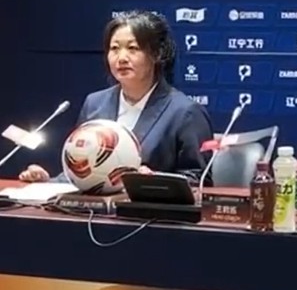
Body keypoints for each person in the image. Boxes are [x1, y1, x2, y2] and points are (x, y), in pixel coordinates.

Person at [19, 10, 215, 184]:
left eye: (133, 48)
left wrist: (154, 181)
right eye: (114, 49)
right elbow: (84, 171)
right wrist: (49, 182)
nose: (121, 58)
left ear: (157, 54)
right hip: (95, 210)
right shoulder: (95, 103)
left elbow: (200, 180)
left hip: (150, 211)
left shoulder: (185, 112)